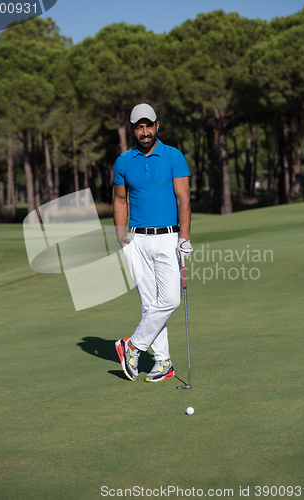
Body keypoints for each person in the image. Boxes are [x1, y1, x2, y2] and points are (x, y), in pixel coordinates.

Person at [113, 103, 193, 382]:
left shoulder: (173, 156)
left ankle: (132, 346)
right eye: (139, 126)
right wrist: (120, 235)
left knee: (169, 299)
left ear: (157, 126)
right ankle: (163, 363)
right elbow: (120, 200)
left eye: (149, 125)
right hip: (136, 240)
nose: (144, 132)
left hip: (169, 237)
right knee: (150, 304)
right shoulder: (123, 161)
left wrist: (184, 237)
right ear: (133, 129)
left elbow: (183, 198)